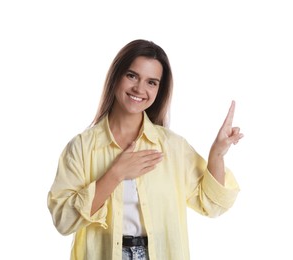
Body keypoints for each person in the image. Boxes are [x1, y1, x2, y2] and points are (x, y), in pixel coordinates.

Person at [47, 39, 243, 260]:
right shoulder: (81, 148)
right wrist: (116, 173)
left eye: (152, 82)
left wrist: (216, 154)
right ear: (116, 77)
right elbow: (63, 220)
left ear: (159, 89)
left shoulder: (172, 147)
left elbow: (212, 204)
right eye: (132, 75)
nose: (140, 89)